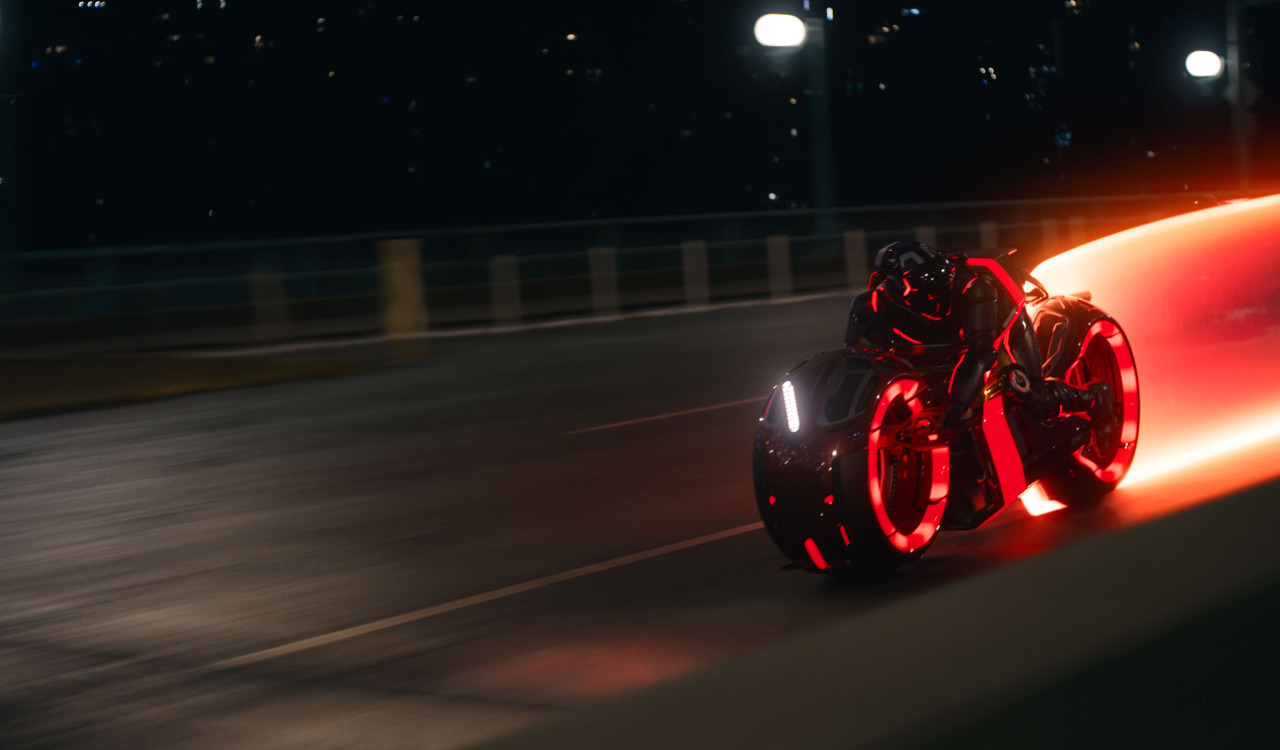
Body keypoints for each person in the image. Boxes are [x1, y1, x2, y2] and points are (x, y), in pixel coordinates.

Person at [843, 240, 1117, 449]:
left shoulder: (975, 288)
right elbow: (854, 355)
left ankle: (1097, 397)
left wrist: (955, 404)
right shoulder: (875, 301)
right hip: (947, 341)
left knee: (1034, 398)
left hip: (1000, 325)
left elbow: (982, 352)